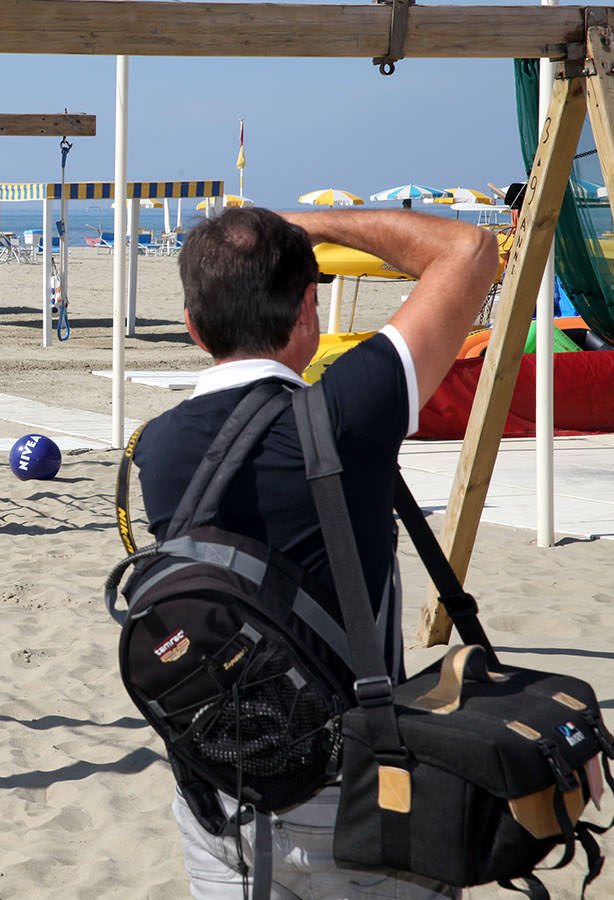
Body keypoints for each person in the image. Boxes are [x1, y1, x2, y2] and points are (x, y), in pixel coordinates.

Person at [133, 207, 497, 899]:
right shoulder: (346, 415)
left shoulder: (158, 447)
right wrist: (314, 223)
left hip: (219, 786)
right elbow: (470, 249)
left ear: (192, 324)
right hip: (353, 791)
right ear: (310, 311)